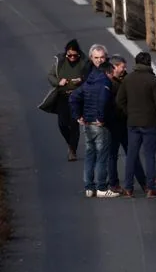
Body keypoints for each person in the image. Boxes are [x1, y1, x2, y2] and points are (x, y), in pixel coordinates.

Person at [117, 52, 156, 198]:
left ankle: (128, 188)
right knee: (149, 155)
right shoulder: (152, 80)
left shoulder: (128, 79)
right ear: (149, 63)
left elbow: (120, 100)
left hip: (133, 123)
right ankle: (150, 188)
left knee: (131, 155)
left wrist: (129, 113)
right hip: (150, 123)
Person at [70, 60, 118, 198]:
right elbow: (103, 101)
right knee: (102, 157)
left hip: (87, 124)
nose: (112, 77)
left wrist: (78, 115)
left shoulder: (88, 82)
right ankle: (102, 188)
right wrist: (102, 118)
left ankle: (89, 188)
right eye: (112, 74)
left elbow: (73, 97)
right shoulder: (105, 84)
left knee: (90, 155)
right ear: (107, 72)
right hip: (99, 126)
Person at [105, 55, 146, 194]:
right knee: (113, 155)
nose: (124, 69)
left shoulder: (125, 79)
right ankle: (114, 184)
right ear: (114, 67)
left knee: (132, 152)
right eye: (122, 66)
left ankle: (143, 182)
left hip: (126, 123)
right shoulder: (109, 83)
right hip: (113, 124)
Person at [46, 39, 88, 161]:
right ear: (66, 54)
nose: (72, 58)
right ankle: (70, 143)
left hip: (77, 97)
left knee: (74, 124)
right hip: (63, 96)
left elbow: (89, 76)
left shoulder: (84, 62)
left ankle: (72, 150)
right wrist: (58, 82)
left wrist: (82, 80)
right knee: (62, 124)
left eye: (75, 55)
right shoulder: (60, 62)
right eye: (70, 55)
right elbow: (50, 75)